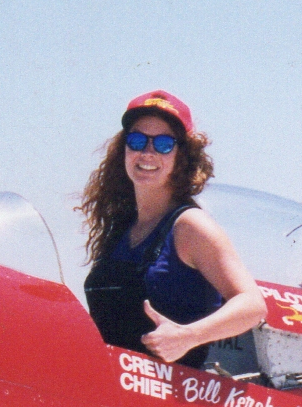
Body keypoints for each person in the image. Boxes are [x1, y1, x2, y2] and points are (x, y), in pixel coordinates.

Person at [79, 90, 266, 366]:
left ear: (182, 156)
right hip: (110, 390)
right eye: (137, 140)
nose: (147, 152)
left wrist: (187, 336)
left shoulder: (190, 226)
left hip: (171, 398)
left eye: (164, 144)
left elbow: (252, 305)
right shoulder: (120, 230)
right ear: (124, 149)